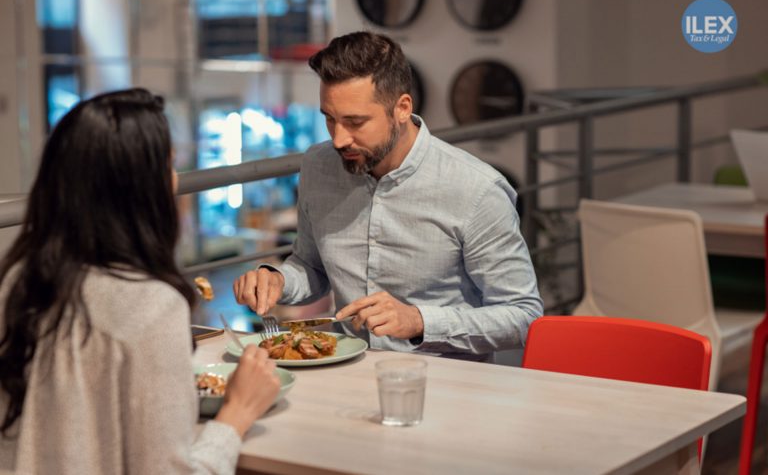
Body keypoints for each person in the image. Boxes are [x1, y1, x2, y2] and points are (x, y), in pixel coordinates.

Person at [0, 89, 280, 474]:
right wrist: (237, 414)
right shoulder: (151, 306)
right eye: (169, 165)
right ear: (142, 189)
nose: (177, 180)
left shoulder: (17, 281)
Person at [233, 31, 543, 362]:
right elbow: (313, 266)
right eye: (329, 118)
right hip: (347, 372)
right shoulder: (318, 166)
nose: (338, 139)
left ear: (402, 108)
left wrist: (420, 321)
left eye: (355, 122)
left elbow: (524, 316)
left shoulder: (476, 190)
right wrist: (278, 280)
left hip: (445, 385)